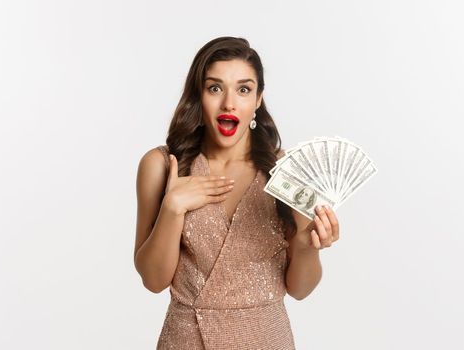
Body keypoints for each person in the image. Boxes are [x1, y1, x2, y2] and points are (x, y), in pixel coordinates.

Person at [133, 37, 342, 349]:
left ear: (258, 99)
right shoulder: (162, 165)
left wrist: (307, 243)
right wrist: (173, 208)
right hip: (188, 339)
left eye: (243, 89)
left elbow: (300, 289)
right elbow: (153, 280)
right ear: (197, 95)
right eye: (215, 88)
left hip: (267, 339)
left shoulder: (287, 170)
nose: (229, 103)